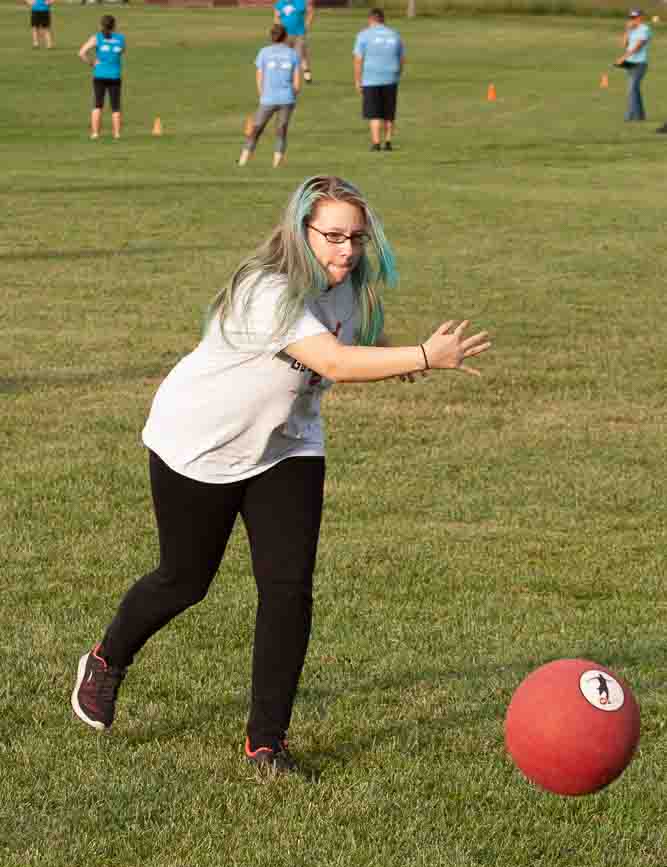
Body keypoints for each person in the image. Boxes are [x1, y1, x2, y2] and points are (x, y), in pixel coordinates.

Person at [71, 175, 491, 773]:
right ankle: (108, 659)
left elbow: (349, 347)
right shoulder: (264, 290)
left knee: (288, 591)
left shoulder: (344, 289)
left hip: (287, 446)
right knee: (185, 580)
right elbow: (335, 362)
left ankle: (266, 742)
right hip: (202, 447)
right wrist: (424, 357)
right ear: (301, 232)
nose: (347, 250)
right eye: (333, 236)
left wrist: (395, 360)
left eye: (357, 238)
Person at [239, 25, 300, 169]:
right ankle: (276, 164)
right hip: (287, 98)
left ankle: (242, 161)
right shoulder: (292, 54)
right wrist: (292, 95)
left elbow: (259, 76)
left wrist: (262, 94)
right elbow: (297, 83)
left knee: (256, 129)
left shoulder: (264, 53)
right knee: (281, 131)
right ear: (285, 37)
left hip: (268, 98)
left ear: (271, 37)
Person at [353, 8, 404, 152]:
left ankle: (376, 143)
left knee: (374, 113)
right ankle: (388, 142)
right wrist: (397, 74)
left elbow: (358, 59)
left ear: (370, 20)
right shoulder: (395, 34)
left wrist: (358, 80)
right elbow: (401, 58)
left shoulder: (363, 35)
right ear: (383, 20)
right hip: (390, 77)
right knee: (389, 112)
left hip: (371, 78)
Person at [78, 15, 126, 140]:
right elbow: (121, 52)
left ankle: (95, 133)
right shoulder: (121, 38)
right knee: (115, 106)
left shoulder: (96, 38)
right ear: (114, 26)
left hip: (99, 75)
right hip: (115, 75)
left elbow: (81, 53)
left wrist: (92, 63)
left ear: (101, 25)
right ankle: (117, 134)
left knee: (97, 105)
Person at [614, 8, 651, 122]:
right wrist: (627, 30)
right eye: (631, 18)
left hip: (640, 63)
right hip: (630, 63)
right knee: (634, 90)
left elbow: (638, 46)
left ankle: (630, 116)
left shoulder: (645, 29)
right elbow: (623, 44)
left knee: (632, 89)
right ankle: (639, 116)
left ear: (641, 17)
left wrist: (623, 57)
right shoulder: (631, 30)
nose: (633, 20)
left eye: (635, 17)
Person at [274, 0, 314, 84]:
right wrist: (278, 30)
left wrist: (307, 26)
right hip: (285, 35)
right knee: (285, 56)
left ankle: (305, 72)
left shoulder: (301, 2)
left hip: (299, 34)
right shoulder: (279, 4)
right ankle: (287, 77)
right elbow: (276, 18)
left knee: (298, 55)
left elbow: (310, 12)